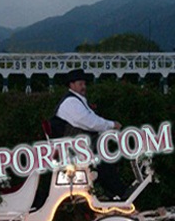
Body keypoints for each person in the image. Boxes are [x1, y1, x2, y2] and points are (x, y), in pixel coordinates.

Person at [51, 68, 131, 200]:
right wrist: (112, 125)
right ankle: (119, 191)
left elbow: (91, 121)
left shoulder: (77, 100)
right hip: (73, 148)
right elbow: (89, 122)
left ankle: (112, 191)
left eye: (84, 83)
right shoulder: (71, 102)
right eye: (80, 84)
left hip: (76, 145)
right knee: (105, 156)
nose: (84, 87)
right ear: (71, 85)